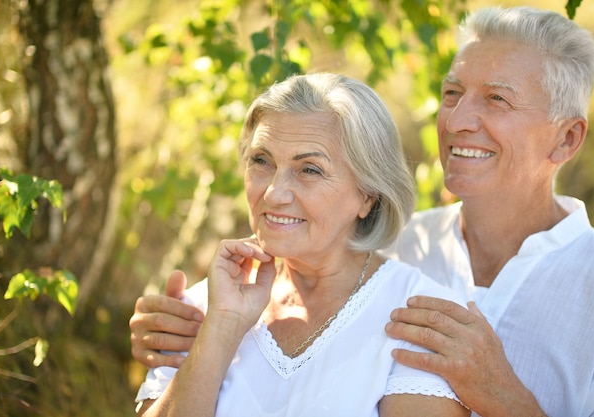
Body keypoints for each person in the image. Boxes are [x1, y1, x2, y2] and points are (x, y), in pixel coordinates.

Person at [130, 6, 594, 417]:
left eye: (497, 99)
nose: (457, 121)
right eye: (451, 94)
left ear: (567, 138)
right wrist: (187, 329)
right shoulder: (382, 243)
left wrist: (501, 394)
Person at [133, 72, 470, 417]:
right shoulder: (203, 307)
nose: (274, 193)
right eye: (261, 161)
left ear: (368, 195)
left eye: (309, 170)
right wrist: (219, 330)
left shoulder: (421, 320)